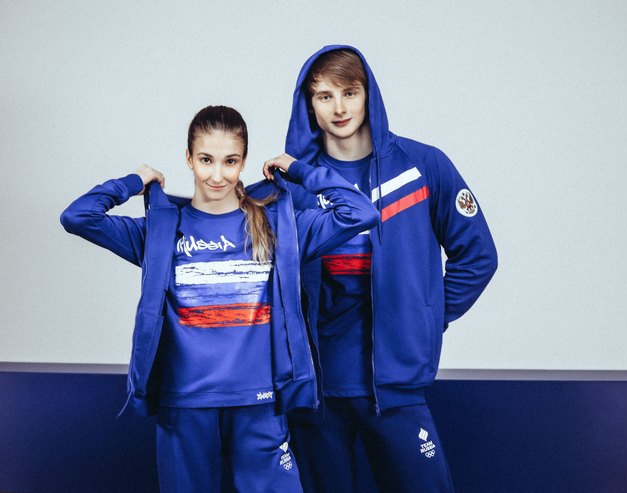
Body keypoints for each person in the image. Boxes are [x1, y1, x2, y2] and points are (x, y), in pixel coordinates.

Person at [60, 105, 380, 492]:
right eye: (206, 160)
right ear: (189, 159)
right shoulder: (160, 231)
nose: (217, 175)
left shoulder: (279, 226)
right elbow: (78, 216)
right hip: (183, 405)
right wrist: (133, 181)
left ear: (243, 161)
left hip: (259, 403)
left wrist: (300, 170)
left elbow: (361, 212)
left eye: (230, 161)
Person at [270, 46, 498, 492]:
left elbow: (478, 256)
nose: (339, 108)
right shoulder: (294, 183)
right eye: (324, 96)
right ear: (309, 105)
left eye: (349, 93)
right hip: (316, 392)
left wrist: (427, 317)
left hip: (394, 383)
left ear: (367, 94)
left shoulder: (423, 165)